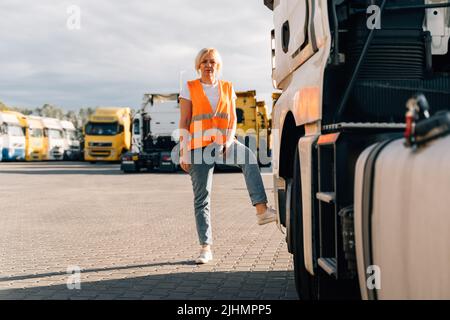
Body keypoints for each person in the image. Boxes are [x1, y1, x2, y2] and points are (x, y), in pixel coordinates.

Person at [178, 48, 277, 264]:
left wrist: (227, 140)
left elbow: (232, 120)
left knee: (248, 157)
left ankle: (261, 210)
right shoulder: (189, 88)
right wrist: (184, 151)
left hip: (223, 142)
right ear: (198, 65)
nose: (208, 65)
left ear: (218, 65)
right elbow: (184, 120)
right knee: (202, 198)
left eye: (212, 61)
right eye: (204, 61)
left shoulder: (227, 87)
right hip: (197, 147)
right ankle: (205, 248)